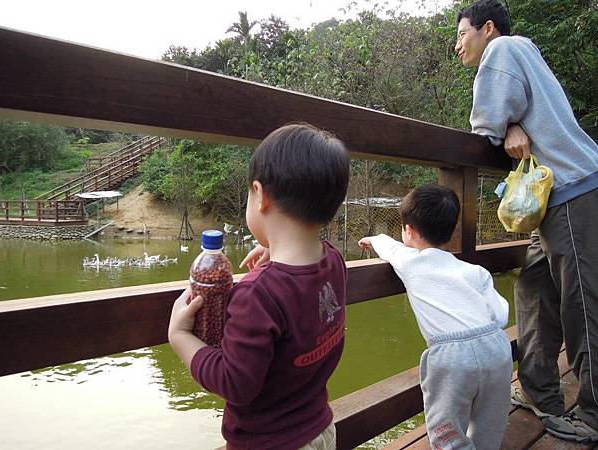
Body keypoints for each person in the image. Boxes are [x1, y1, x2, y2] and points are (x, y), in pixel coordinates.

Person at [455, 0, 598, 442]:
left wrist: (505, 126)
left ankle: (593, 414)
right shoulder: (525, 53)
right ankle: (540, 389)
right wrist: (514, 124)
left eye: (462, 34)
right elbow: (509, 120)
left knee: (582, 303)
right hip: (555, 196)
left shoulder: (502, 51)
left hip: (572, 190)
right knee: (535, 285)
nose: (458, 46)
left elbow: (485, 127)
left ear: (488, 29)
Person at [168, 123, 350, 450]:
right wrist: (275, 249)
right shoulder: (333, 262)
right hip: (321, 430)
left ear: (260, 194)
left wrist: (180, 338)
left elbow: (235, 383)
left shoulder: (257, 293)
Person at [359, 184, 512, 450]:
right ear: (451, 230)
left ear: (409, 230)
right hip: (496, 347)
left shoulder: (409, 262)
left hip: (451, 357)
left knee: (448, 432)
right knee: (490, 424)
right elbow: (500, 315)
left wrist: (373, 239)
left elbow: (389, 246)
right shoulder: (475, 271)